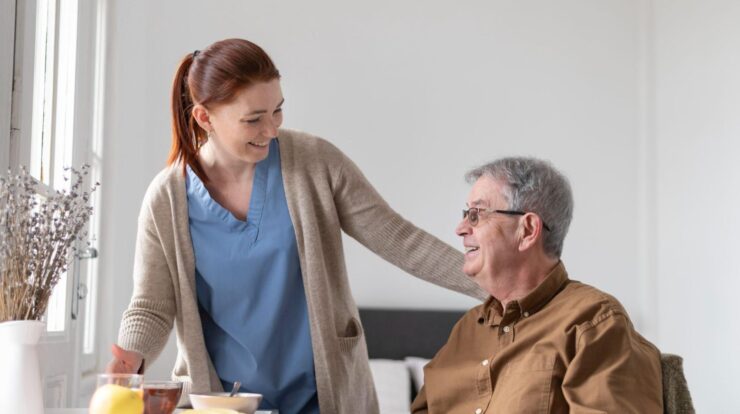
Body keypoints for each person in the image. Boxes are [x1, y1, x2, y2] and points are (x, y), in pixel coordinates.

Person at [105, 38, 485, 414]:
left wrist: (493, 281)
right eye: (253, 119)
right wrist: (129, 360)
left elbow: (400, 240)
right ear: (205, 117)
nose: (271, 130)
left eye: (278, 111)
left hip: (325, 398)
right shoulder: (167, 198)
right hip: (225, 402)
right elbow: (151, 305)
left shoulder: (315, 163)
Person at [411, 157, 663, 413]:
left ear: (528, 229)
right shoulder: (465, 331)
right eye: (466, 214)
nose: (461, 228)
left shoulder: (594, 322)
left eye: (477, 214)